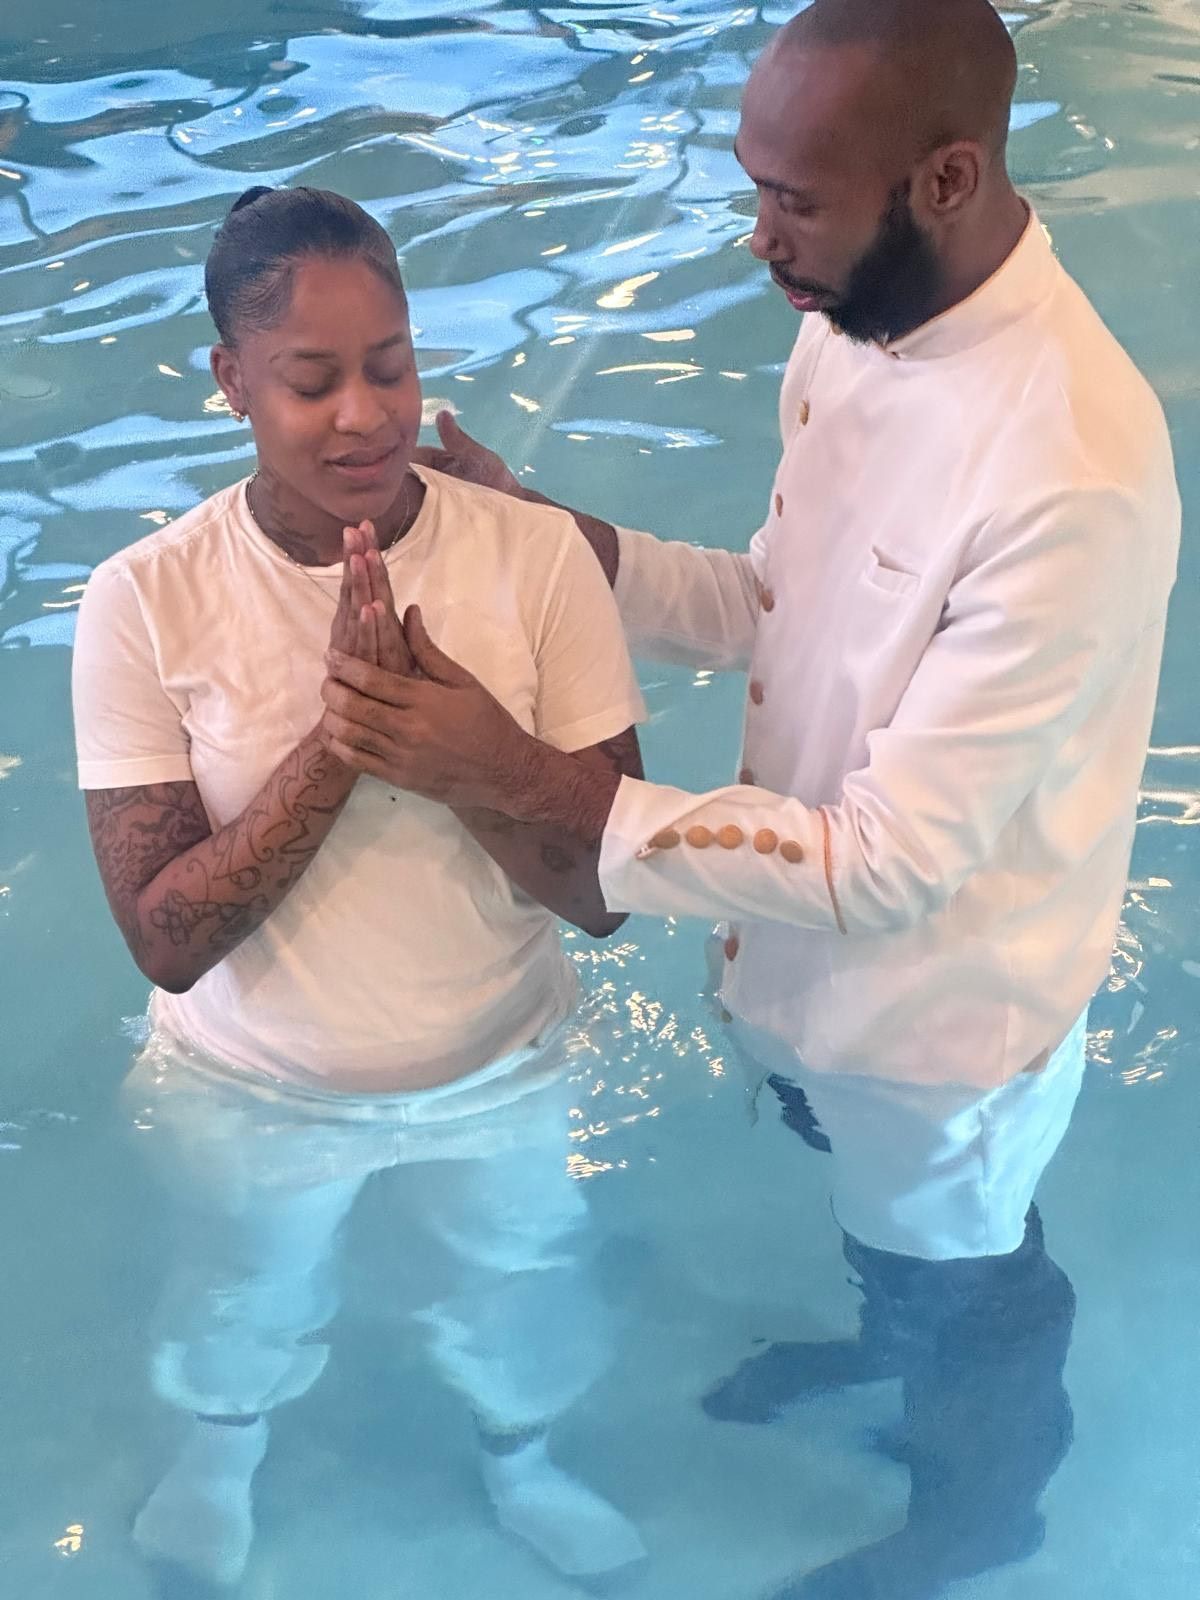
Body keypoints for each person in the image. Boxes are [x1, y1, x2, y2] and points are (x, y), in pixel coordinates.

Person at [319, 2, 1181, 1596]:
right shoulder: (851, 316)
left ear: (945, 178)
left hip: (942, 1023)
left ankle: (981, 1522)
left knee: (970, 1276)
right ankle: (883, 1334)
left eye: (795, 204)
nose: (758, 238)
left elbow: (895, 868)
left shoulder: (1071, 467)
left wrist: (515, 777)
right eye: (752, 186)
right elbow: (784, 601)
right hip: (790, 946)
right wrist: (562, 542)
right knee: (890, 1254)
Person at [71, 184, 648, 1591]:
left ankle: (522, 1461)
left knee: (520, 1285)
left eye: (389, 363)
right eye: (312, 378)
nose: (365, 415)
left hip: (503, 1059)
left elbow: (604, 896)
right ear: (232, 382)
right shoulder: (146, 597)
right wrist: (338, 749)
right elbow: (165, 939)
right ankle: (223, 1453)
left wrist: (467, 757)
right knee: (248, 1293)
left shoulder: (534, 557)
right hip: (256, 1084)